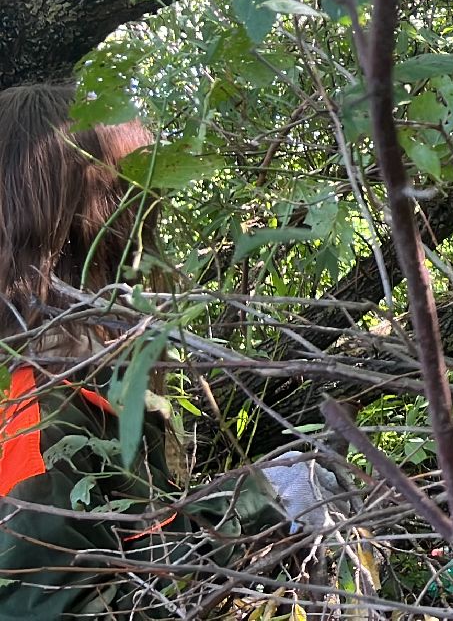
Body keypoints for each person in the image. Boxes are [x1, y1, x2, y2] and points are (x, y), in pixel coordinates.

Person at [0, 83, 335, 619]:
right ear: (102, 234)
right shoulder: (34, 430)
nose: (156, 257)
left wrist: (249, 502)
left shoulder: (88, 397)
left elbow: (133, 561)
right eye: (143, 224)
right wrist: (256, 505)